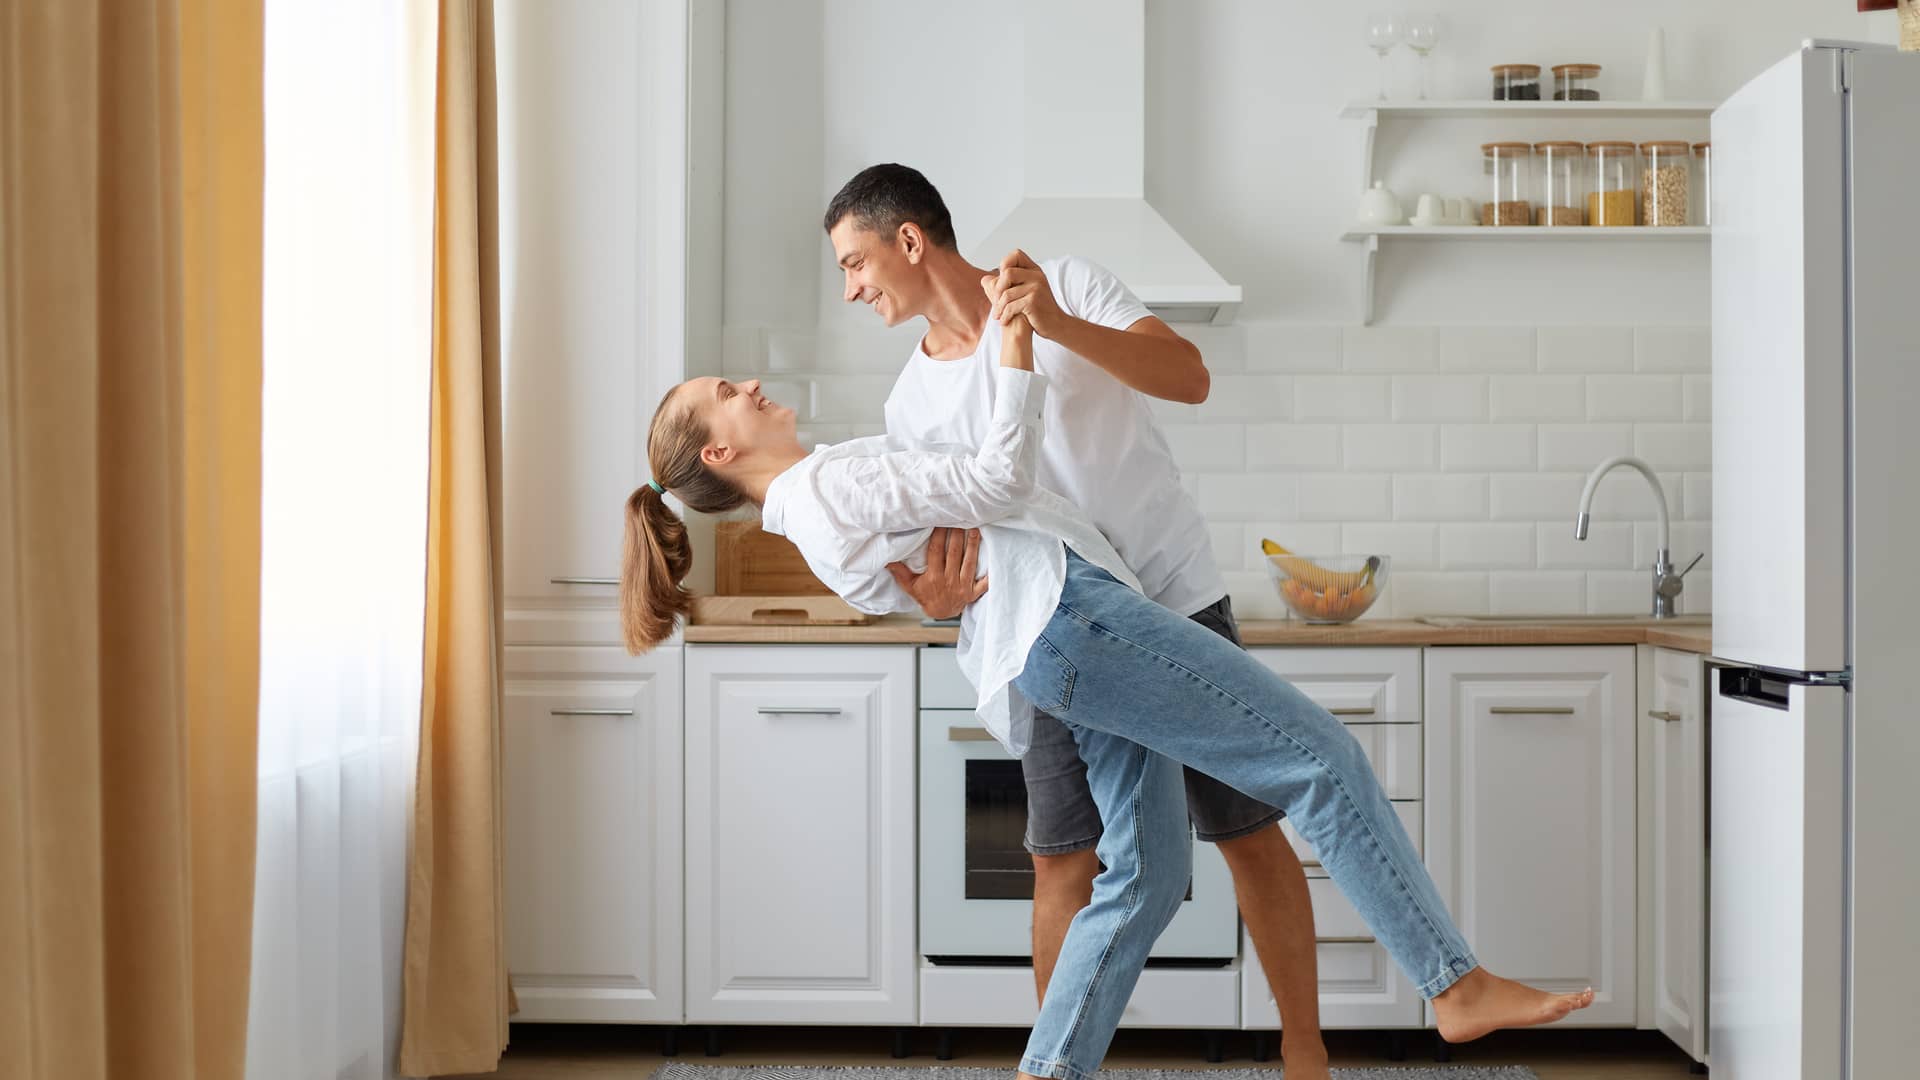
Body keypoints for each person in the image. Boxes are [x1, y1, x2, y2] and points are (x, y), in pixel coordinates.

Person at [618, 311, 1594, 1080]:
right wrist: (1011, 345)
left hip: (1058, 635)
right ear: (717, 454)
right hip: (1071, 619)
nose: (747, 385)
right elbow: (997, 478)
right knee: (1319, 758)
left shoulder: (821, 488)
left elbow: (925, 561)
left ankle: (1049, 1071)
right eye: (724, 394)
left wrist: (938, 591)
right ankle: (1453, 982)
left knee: (1143, 876)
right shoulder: (823, 495)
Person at [823, 162, 1335, 1073]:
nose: (853, 288)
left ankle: (1305, 1055)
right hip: (1055, 636)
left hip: (1171, 600)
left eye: (855, 263)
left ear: (909, 240)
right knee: (1065, 859)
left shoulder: (1069, 284)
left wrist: (1054, 322)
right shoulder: (912, 405)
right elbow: (947, 553)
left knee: (1246, 829)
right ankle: (1065, 1067)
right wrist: (935, 600)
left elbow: (1189, 377)